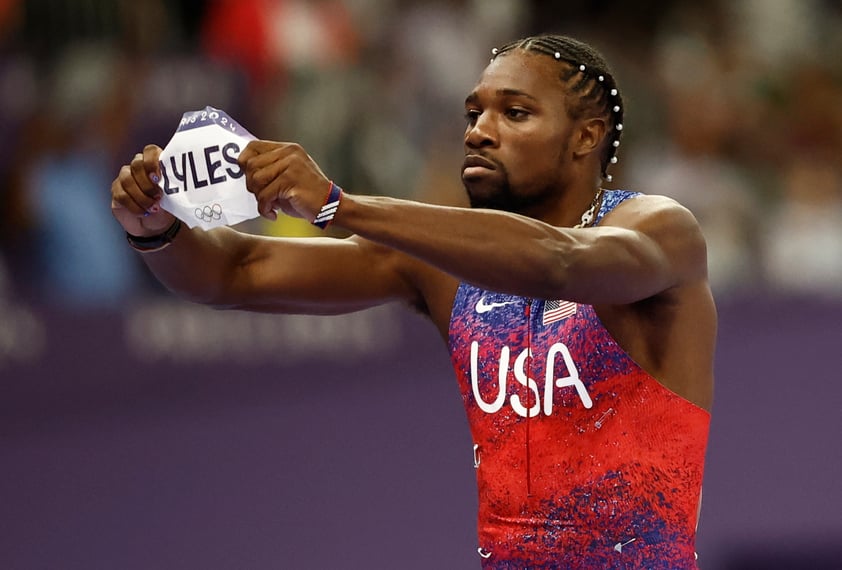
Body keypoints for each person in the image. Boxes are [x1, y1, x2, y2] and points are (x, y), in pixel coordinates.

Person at [111, 34, 714, 569]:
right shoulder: (441, 262)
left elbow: (559, 263)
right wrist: (154, 227)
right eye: (474, 112)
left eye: (516, 113)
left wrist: (338, 205)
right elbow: (236, 271)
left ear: (586, 136)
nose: (479, 130)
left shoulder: (663, 230)